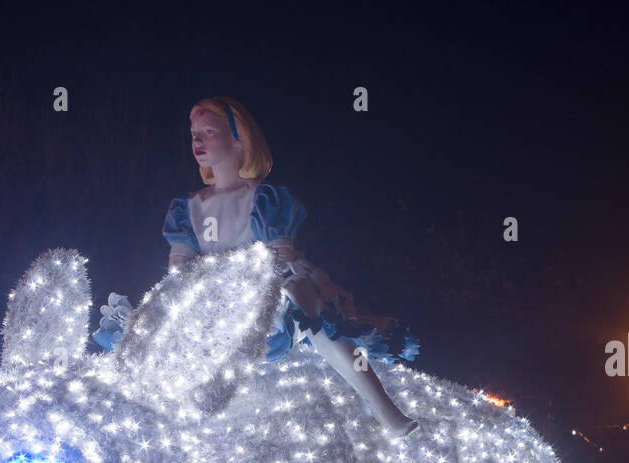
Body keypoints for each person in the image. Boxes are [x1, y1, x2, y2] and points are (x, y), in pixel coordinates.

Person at [96, 96, 419, 436]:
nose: (197, 141)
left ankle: (385, 411)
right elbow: (180, 269)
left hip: (262, 293)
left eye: (208, 131)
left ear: (239, 139)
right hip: (212, 301)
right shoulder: (188, 207)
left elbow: (279, 256)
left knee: (308, 307)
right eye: (193, 133)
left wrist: (260, 272)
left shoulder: (264, 199)